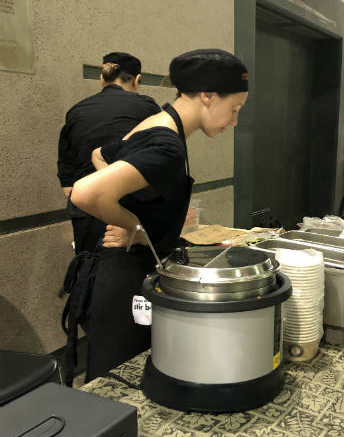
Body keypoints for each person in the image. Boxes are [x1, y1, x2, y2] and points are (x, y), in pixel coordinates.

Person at [70, 49, 248, 381]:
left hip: (120, 271)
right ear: (208, 96)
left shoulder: (156, 123)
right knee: (120, 386)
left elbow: (100, 155)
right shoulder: (167, 146)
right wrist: (133, 225)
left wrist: (131, 208)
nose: (234, 121)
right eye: (234, 110)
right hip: (127, 279)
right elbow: (86, 192)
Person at [57, 52, 161, 254]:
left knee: (89, 274)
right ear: (137, 80)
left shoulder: (76, 111)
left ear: (102, 77)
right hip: (132, 211)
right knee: (132, 279)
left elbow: (67, 179)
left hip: (86, 213)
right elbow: (161, 164)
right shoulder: (147, 107)